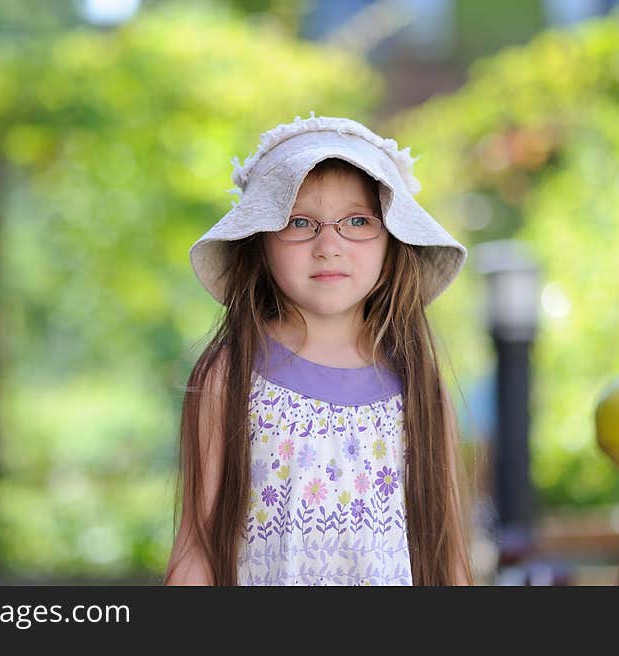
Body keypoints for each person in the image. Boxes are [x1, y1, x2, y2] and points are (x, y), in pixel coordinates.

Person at [164, 113, 473, 586]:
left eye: (357, 221)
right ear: (260, 241)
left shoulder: (420, 392)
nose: (328, 245)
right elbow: (196, 549)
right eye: (299, 221)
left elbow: (449, 561)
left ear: (392, 244)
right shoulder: (230, 378)